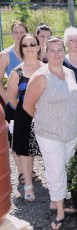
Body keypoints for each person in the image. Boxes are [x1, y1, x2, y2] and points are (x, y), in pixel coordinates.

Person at [23, 37, 77, 230]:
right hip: (49, 134)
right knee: (55, 171)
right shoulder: (41, 76)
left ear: (64, 52)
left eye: (59, 50)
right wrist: (44, 121)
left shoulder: (70, 73)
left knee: (64, 168)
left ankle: (55, 201)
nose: (56, 54)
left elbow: (72, 99)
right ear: (46, 53)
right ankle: (60, 211)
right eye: (52, 51)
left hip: (70, 132)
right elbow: (28, 106)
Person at [7, 34, 43, 202]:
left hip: (45, 115)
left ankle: (56, 187)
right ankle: (28, 185)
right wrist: (25, 108)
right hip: (24, 115)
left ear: (38, 46)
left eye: (32, 44)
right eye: (25, 45)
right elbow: (11, 98)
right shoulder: (17, 72)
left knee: (47, 149)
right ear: (21, 49)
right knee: (26, 152)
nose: (29, 47)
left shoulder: (46, 68)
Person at [0, 21, 28, 182]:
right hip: (13, 104)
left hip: (30, 104)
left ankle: (28, 168)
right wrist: (7, 100)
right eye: (15, 32)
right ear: (11, 34)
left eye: (21, 32)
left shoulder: (30, 52)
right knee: (16, 139)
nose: (19, 35)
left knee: (28, 137)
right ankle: (22, 172)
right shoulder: (5, 55)